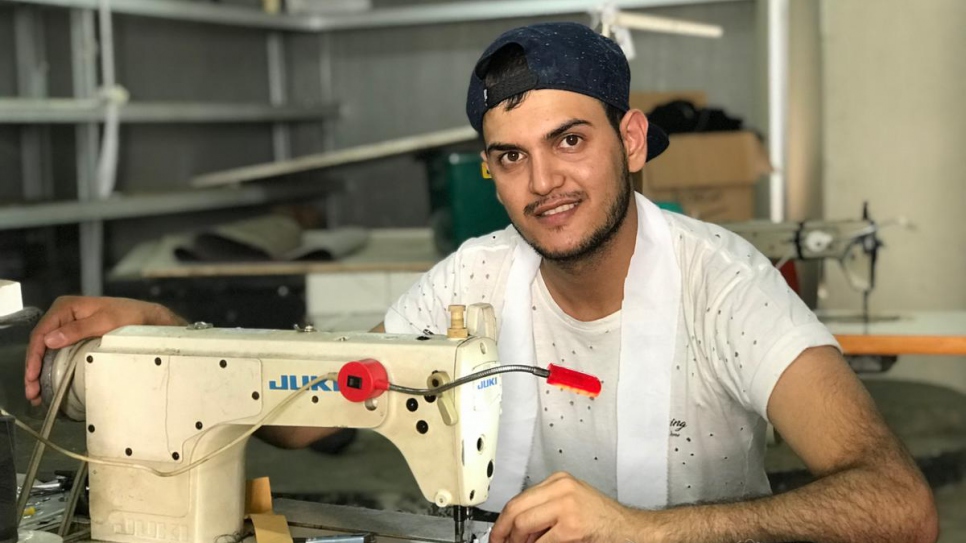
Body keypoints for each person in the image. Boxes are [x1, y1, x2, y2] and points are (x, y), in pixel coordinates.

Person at [24, 22, 936, 543]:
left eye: (570, 141)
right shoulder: (475, 277)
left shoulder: (725, 288)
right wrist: (166, 328)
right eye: (512, 157)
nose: (544, 184)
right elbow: (308, 411)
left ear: (629, 141)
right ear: (489, 172)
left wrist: (651, 531)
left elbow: (901, 504)